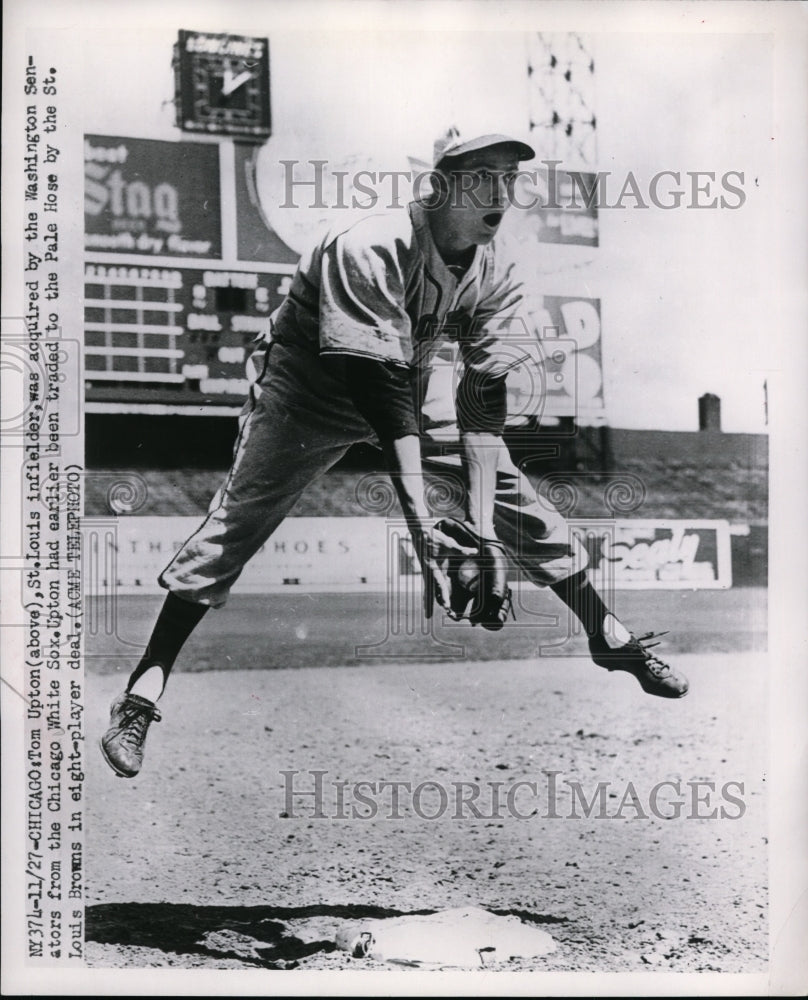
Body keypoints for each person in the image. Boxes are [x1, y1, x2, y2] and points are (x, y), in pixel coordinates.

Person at [100, 125, 688, 779]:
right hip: (309, 389)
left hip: (408, 378)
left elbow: (482, 414)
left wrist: (485, 534)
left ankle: (608, 637)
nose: (501, 192)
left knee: (517, 498)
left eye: (509, 178)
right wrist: (426, 532)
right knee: (237, 523)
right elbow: (376, 396)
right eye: (481, 176)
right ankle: (142, 690)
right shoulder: (369, 245)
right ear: (437, 186)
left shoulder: (500, 268)